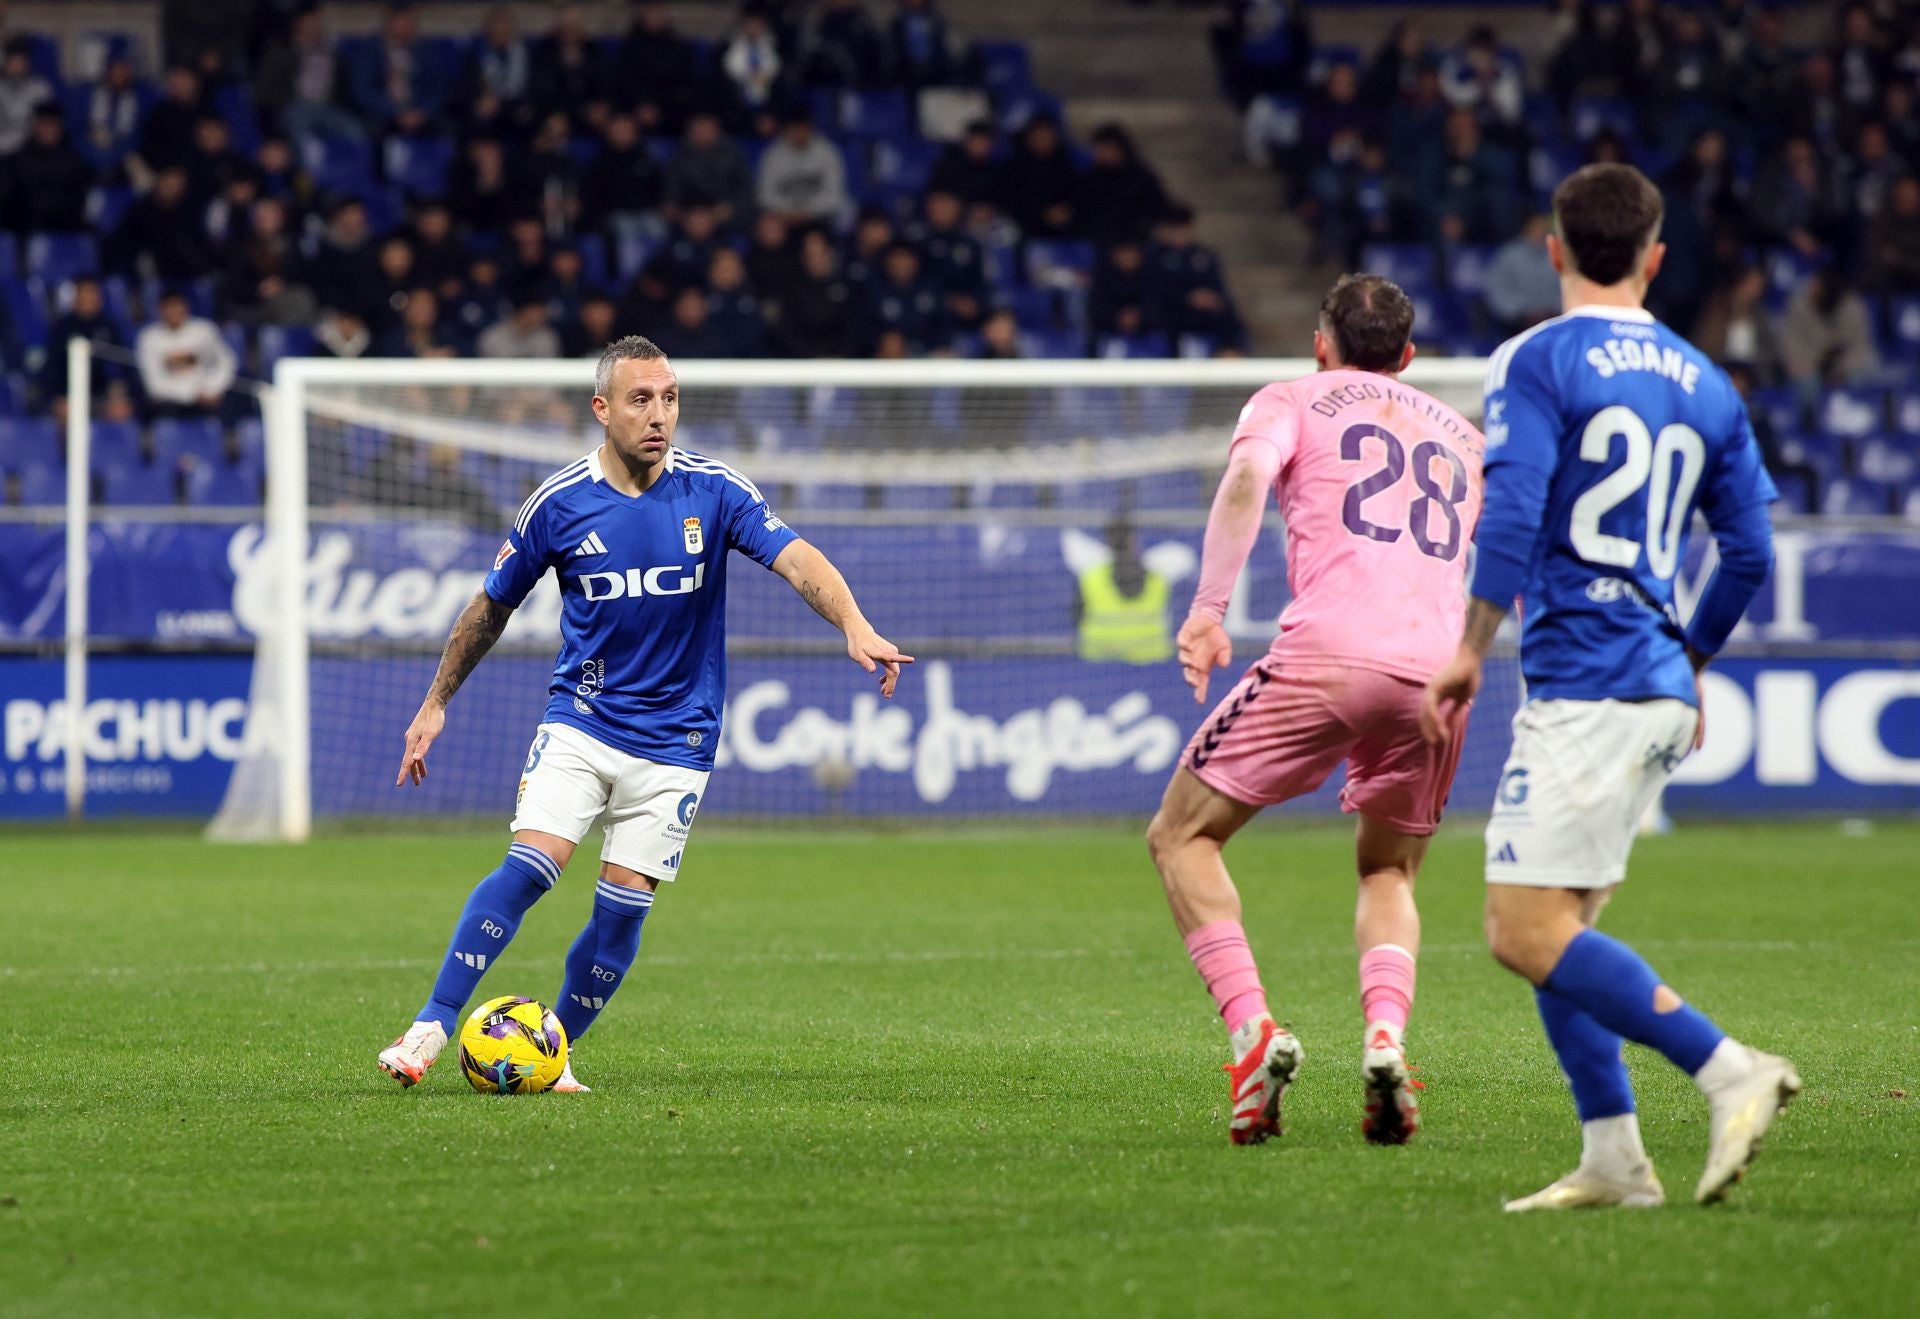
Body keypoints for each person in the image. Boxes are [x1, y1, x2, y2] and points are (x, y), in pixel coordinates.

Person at [377, 336, 912, 1091]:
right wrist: (435, 702)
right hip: (583, 721)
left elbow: (797, 557)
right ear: (602, 409)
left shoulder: (715, 490)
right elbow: (489, 607)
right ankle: (429, 1027)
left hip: (679, 739)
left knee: (623, 911)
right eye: (639, 399)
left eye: (668, 398)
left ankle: (552, 1052)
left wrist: (854, 623)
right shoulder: (559, 503)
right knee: (533, 865)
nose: (658, 415)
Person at [1420, 163, 1797, 1212]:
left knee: (1521, 929)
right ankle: (1615, 1157)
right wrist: (1695, 656)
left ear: (1553, 250)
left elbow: (1515, 505)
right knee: (1565, 922)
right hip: (1654, 675)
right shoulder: (1705, 379)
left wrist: (1468, 643)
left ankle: (1731, 1068)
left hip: (1589, 675)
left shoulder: (1535, 357)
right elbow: (1751, 553)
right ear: (1654, 256)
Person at [1144, 274, 1485, 1147]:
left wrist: (1210, 608)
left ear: (1320, 342)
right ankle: (1384, 1040)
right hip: (1436, 675)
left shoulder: (1291, 397)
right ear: (1409, 357)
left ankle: (1254, 1031)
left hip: (1328, 657)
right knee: (1389, 871)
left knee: (1181, 835)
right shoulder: (1466, 437)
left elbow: (1247, 476)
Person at [135, 290, 238, 420]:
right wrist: (192, 394)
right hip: (171, 403)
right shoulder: (149, 338)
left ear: (186, 307)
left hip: (208, 397)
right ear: (160, 310)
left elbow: (226, 362)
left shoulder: (204, 330)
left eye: (177, 306)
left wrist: (213, 388)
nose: (174, 312)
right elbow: (154, 384)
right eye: (169, 308)